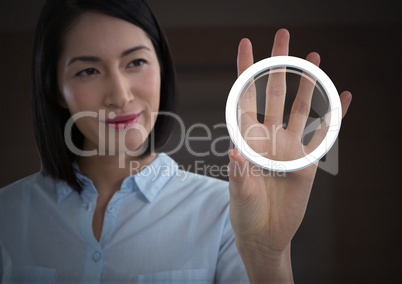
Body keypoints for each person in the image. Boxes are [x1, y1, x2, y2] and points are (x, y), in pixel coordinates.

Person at [0, 0, 352, 283]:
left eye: (135, 61)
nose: (120, 95)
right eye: (88, 70)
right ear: (55, 89)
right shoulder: (7, 215)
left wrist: (267, 257)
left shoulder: (225, 212)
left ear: (162, 68)